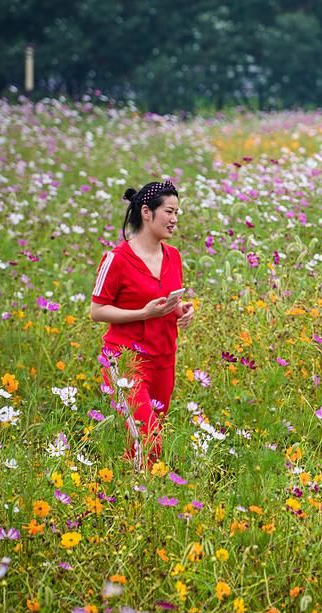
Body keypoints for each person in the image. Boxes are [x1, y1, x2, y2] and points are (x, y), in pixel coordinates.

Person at [90, 179, 194, 471]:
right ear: (146, 213)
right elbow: (97, 311)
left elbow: (165, 302)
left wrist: (182, 311)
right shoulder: (116, 259)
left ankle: (128, 491)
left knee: (148, 439)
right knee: (148, 438)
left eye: (177, 213)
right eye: (169, 212)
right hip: (125, 360)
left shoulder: (173, 256)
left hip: (163, 358)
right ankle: (135, 501)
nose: (174, 220)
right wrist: (141, 314)